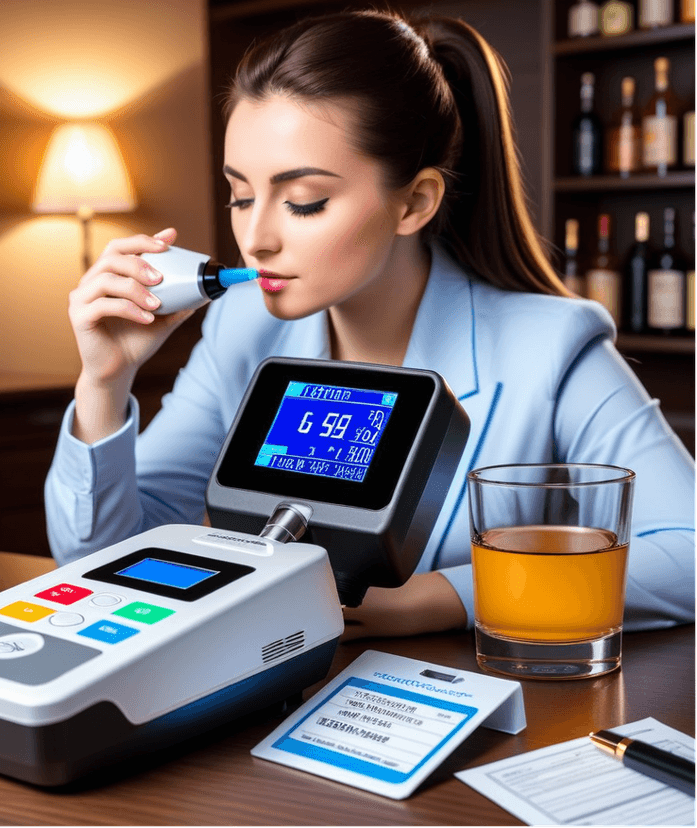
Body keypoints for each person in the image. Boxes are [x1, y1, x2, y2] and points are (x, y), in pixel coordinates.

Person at [45, 10, 695, 639]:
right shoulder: (240, 328)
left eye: (305, 202)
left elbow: (688, 553)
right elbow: (108, 557)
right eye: (241, 195)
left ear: (413, 202)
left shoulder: (550, 347)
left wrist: (444, 597)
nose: (256, 238)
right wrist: (104, 384)